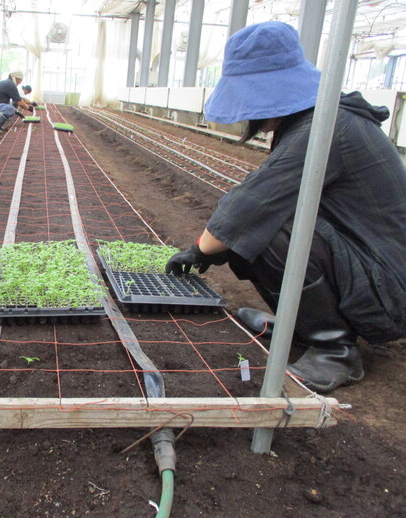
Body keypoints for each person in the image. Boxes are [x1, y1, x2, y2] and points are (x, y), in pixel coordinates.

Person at [164, 21, 406, 393]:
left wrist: (200, 250)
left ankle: (335, 348)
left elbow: (255, 203)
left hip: (387, 289)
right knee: (247, 236)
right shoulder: (321, 118)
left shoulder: (325, 127)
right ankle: (299, 323)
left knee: (265, 230)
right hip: (368, 269)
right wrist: (215, 245)